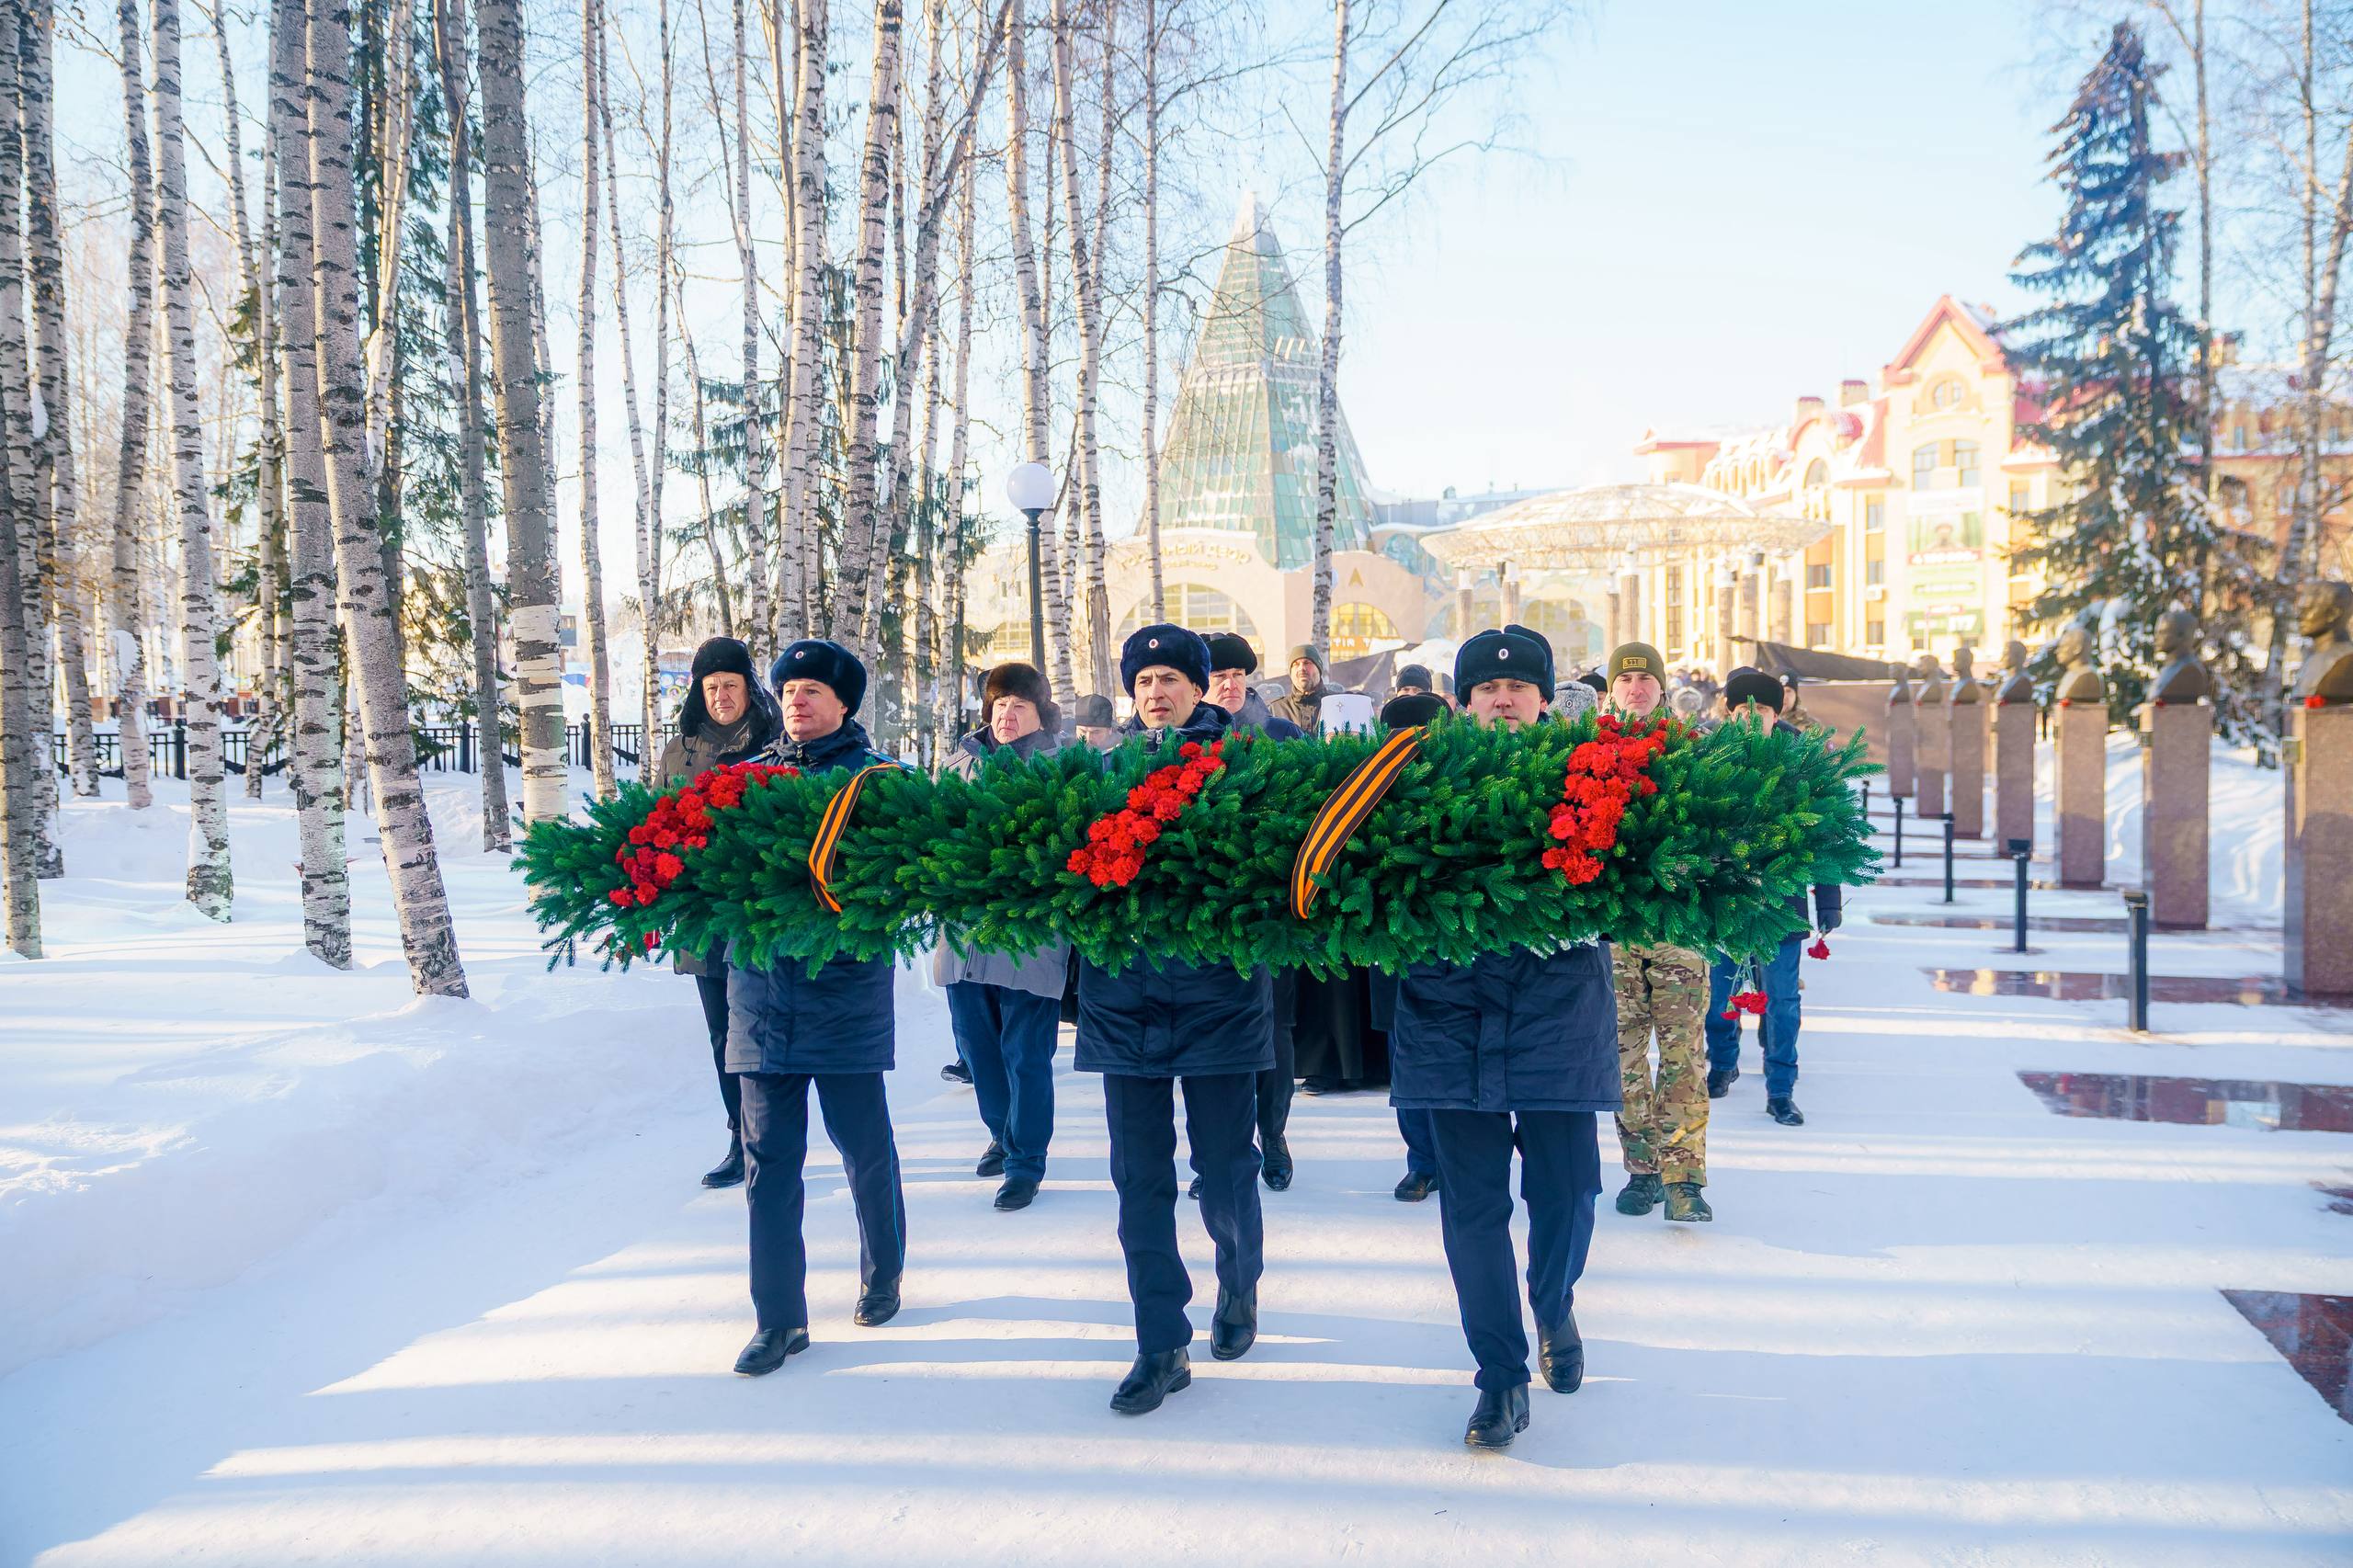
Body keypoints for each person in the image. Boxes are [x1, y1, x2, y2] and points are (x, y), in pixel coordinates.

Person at [1390, 623, 1619, 1449]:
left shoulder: (1593, 776)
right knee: (1474, 1211)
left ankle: (1553, 1303)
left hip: (1559, 1015)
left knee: (1568, 1195)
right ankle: (1500, 1379)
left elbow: (1635, 875)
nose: (1503, 696)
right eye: (1487, 688)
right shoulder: (1415, 778)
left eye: (1519, 684)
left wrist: (1589, 913)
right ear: (1462, 701)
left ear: (1544, 696)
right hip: (1448, 1016)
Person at [1080, 624, 1275, 1415]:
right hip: (1123, 1000)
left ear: (1200, 688)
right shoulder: (1098, 772)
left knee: (1225, 1168)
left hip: (1221, 998)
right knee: (1139, 1179)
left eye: (1170, 678)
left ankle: (1238, 1280)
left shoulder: (1250, 768)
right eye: (1144, 680)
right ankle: (1160, 1341)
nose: (1155, 692)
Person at [724, 639, 909, 1376]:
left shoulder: (880, 784)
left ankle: (884, 1269)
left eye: (812, 690)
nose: (797, 699)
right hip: (761, 996)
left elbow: (899, 880)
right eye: (789, 688)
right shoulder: (743, 782)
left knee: (862, 1146)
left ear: (843, 704)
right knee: (767, 1163)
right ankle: (779, 1319)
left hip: (844, 997)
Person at [652, 637, 786, 1190]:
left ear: (747, 687)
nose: (721, 696)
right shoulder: (677, 750)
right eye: (710, 687)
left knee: (765, 1025)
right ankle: (741, 1137)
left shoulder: (774, 741)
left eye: (730, 684)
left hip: (759, 911)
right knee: (721, 1032)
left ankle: (774, 1136)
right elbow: (657, 820)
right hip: (703, 914)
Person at [935, 663, 1069, 1210]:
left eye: (1020, 705)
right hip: (963, 931)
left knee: (1024, 1052)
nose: (1007, 715)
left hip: (1029, 933)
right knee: (978, 1049)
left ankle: (1025, 1160)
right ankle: (1002, 1131)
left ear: (1040, 713)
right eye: (999, 704)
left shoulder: (1059, 765)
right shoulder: (957, 763)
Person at [1602, 642, 1715, 1224]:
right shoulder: (1588, 752)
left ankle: (1685, 1180)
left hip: (1678, 928)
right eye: (1627, 680)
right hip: (1617, 933)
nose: (1637, 688)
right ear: (1610, 691)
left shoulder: (1691, 752)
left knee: (1682, 1057)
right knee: (1623, 1061)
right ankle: (1641, 1170)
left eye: (1647, 680)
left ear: (1662, 689)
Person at [1703, 668, 1842, 1128]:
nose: (1750, 717)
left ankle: (1780, 1088)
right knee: (1719, 991)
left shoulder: (1800, 762)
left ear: (1774, 712)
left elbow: (1823, 839)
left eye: (1761, 709)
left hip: (1782, 904)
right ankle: (1722, 1062)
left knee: (1782, 999)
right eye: (1742, 708)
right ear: (1729, 710)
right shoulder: (1709, 757)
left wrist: (1828, 903)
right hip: (1725, 903)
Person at [1200, 633, 1303, 1196]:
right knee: (1215, 1032)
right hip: (1209, 913)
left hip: (1273, 908)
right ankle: (1222, 1151)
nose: (1230, 683)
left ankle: (1276, 1135)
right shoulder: (1185, 740)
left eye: (1239, 672)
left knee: (1275, 1030)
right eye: (1219, 674)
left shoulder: (1282, 735)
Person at [1374, 688, 1450, 1204]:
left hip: (1456, 946)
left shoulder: (1464, 782)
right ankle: (1422, 1161)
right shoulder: (1372, 792)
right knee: (1407, 1058)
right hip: (1397, 948)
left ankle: (1456, 1157)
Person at [1203, 633, 1305, 741]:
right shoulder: (1187, 735)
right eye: (1220, 676)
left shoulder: (1284, 733)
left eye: (1237, 675)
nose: (1231, 685)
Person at [1267, 644, 1331, 732]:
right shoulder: (1275, 710)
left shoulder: (1336, 704)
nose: (1301, 668)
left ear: (1319, 669)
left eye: (1307, 663)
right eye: (1296, 664)